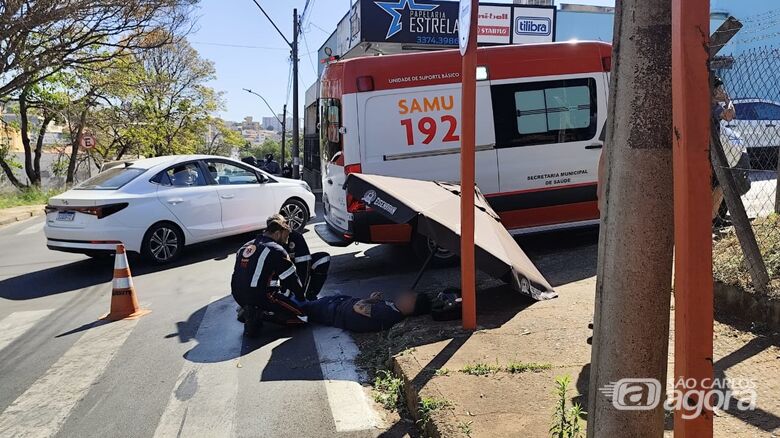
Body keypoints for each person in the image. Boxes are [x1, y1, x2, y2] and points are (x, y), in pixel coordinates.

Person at [231, 217, 307, 337]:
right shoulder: (276, 250)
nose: (286, 242)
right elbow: (292, 281)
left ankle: (249, 310)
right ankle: (260, 314)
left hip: (238, 295)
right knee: (303, 318)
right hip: (260, 297)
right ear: (277, 234)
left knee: (262, 297)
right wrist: (301, 298)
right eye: (286, 237)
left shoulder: (245, 246)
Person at [298, 290, 431, 333]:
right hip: (337, 304)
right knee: (299, 303)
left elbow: (358, 307)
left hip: (333, 311)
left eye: (410, 297)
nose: (406, 295)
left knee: (298, 307)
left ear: (410, 307)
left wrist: (371, 300)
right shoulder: (393, 308)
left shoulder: (390, 314)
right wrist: (374, 299)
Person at [267, 214, 330, 300]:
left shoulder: (295, 237)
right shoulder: (268, 243)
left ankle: (310, 295)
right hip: (279, 274)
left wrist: (301, 293)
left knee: (323, 258)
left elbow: (304, 267)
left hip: (294, 270)